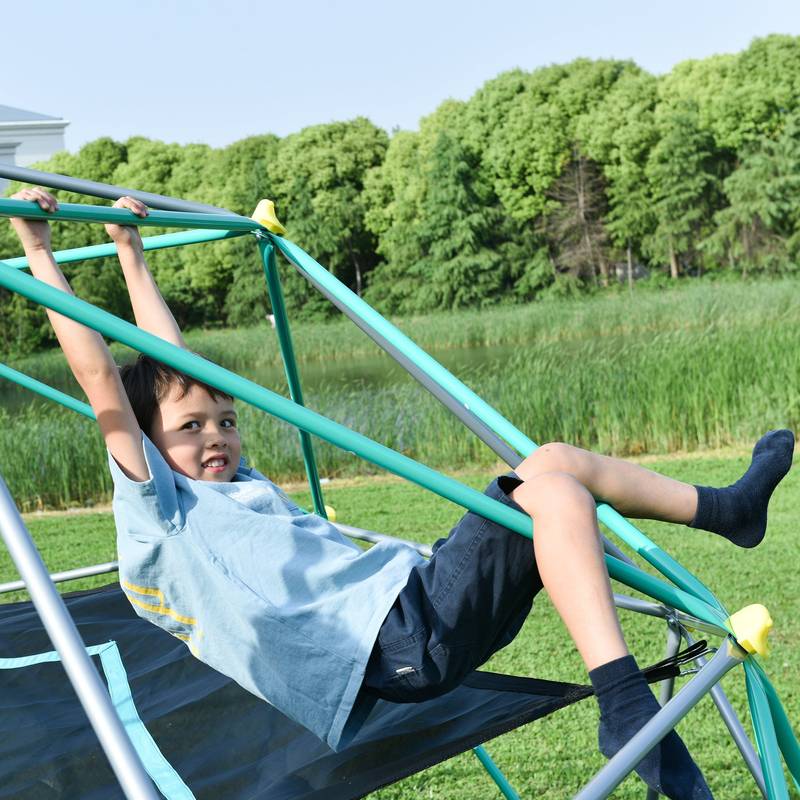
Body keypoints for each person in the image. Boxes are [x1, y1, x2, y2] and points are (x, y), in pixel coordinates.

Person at [9, 187, 794, 800]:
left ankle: (726, 511)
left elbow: (170, 356)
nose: (215, 436)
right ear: (149, 445)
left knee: (551, 463)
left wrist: (130, 252)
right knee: (553, 491)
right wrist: (38, 251)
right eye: (191, 429)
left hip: (419, 601)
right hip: (393, 645)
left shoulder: (235, 480)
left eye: (226, 421)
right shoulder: (168, 514)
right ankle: (627, 709)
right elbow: (102, 378)